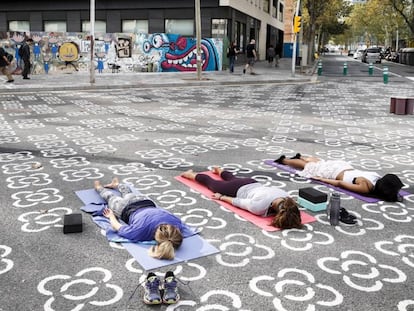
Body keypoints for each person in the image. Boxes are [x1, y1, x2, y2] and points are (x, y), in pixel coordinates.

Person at [94, 177, 194, 260]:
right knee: (110, 197)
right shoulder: (140, 232)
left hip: (144, 201)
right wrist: (111, 216)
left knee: (128, 193)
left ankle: (117, 184)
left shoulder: (177, 223)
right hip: (124, 208)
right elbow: (118, 227)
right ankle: (99, 187)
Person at [181, 167, 302, 229]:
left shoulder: (287, 197)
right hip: (236, 189)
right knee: (211, 183)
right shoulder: (259, 207)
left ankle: (219, 170)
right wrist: (221, 196)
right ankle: (189, 174)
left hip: (252, 182)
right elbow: (237, 201)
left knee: (232, 178)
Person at [274, 153, 404, 202]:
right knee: (308, 167)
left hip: (344, 166)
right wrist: (323, 180)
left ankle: (301, 157)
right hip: (335, 173)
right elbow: (340, 184)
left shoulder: (376, 177)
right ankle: (284, 160)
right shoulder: (366, 187)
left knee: (319, 163)